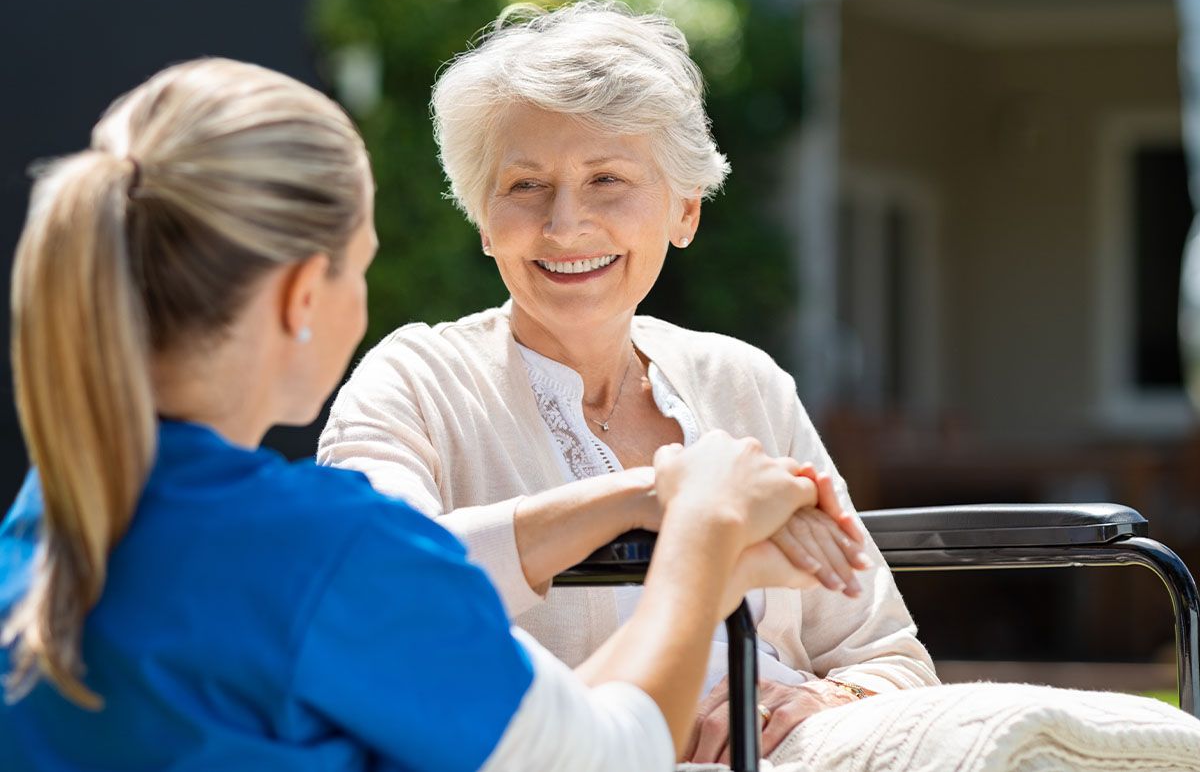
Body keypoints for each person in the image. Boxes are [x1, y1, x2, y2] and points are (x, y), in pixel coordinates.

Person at [0, 58, 860, 770]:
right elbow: (606, 757)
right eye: (362, 267)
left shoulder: (46, 521)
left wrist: (642, 502)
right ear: (306, 293)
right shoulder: (330, 553)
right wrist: (703, 533)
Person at [317, 0, 938, 765]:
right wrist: (654, 497)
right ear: (483, 219)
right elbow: (377, 588)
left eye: (607, 179)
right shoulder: (414, 380)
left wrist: (817, 701)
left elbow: (889, 657)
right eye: (525, 186)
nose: (565, 224)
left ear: (684, 210)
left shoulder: (744, 384)